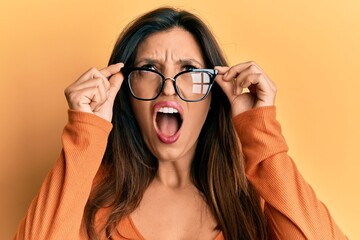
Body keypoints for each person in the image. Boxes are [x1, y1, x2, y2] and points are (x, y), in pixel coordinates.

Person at [14, 7, 347, 240]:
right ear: (125, 90)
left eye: (189, 71)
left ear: (214, 93)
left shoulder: (257, 198)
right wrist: (85, 132)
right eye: (149, 69)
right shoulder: (90, 200)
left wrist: (260, 133)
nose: (169, 87)